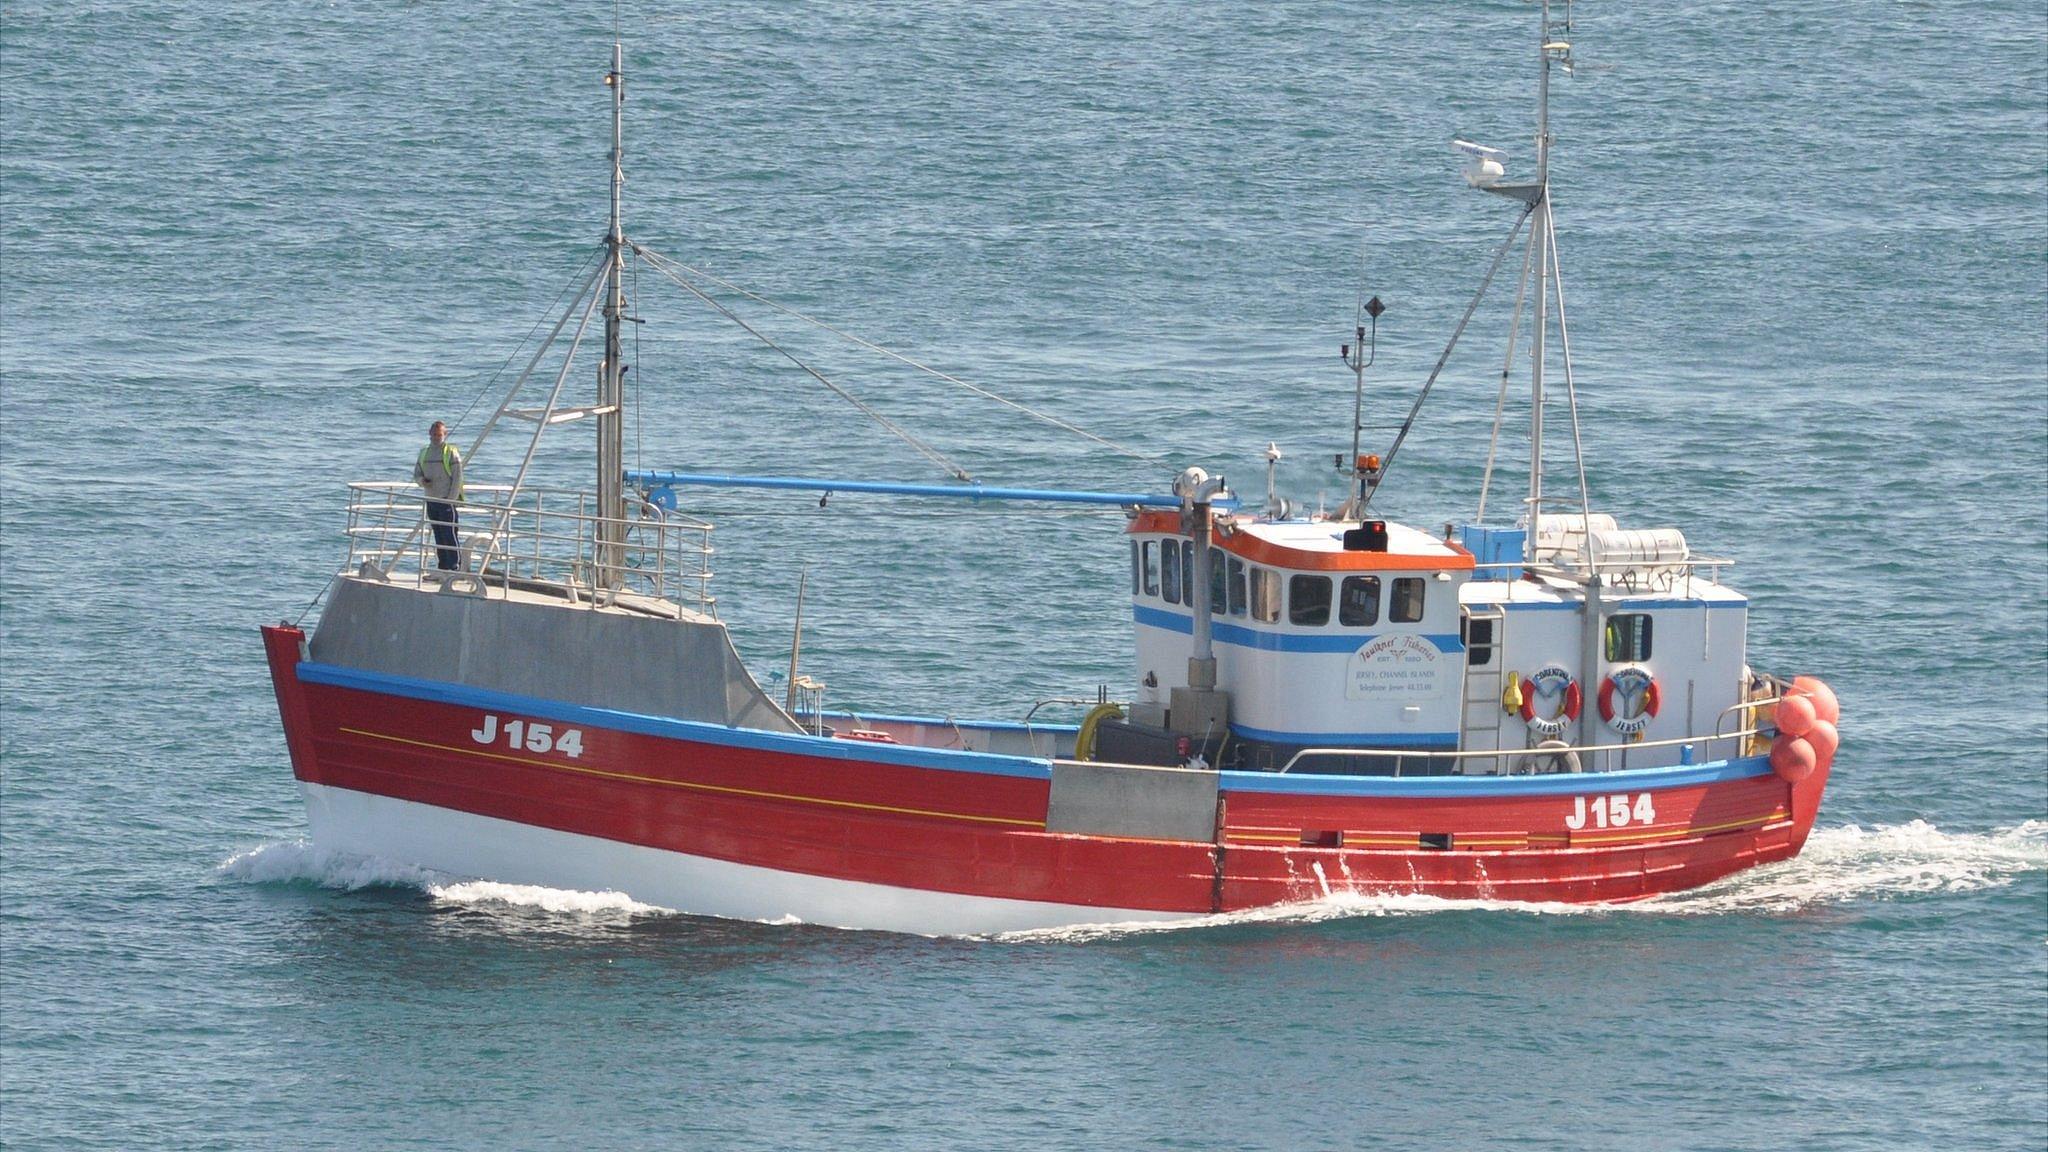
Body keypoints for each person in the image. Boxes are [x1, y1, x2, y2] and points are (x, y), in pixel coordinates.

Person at [413, 421, 464, 571]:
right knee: (438, 534)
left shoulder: (450, 452)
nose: (436, 437)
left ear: (445, 435)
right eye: (434, 434)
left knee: (450, 535)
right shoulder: (424, 452)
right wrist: (422, 481)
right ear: (429, 433)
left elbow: (457, 477)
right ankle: (442, 567)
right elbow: (417, 473)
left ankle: (454, 566)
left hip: (446, 500)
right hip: (431, 499)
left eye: (439, 434)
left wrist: (451, 499)